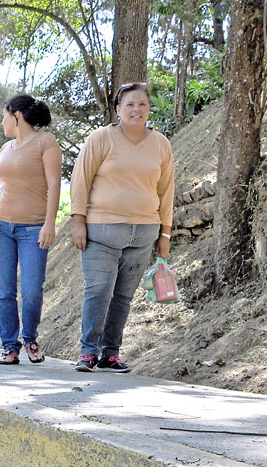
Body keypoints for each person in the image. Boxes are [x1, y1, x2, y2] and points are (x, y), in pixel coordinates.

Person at [70, 82, 174, 373]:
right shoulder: (100, 138)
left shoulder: (161, 144)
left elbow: (167, 191)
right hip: (100, 232)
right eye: (129, 104)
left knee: (124, 296)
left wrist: (165, 233)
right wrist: (78, 220)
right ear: (118, 110)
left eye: (142, 104)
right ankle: (88, 352)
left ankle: (110, 354)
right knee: (98, 289)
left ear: (149, 109)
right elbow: (81, 180)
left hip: (144, 234)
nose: (136, 110)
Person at [0, 94, 62, 365]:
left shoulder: (46, 143)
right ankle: (10, 347)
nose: (2, 121)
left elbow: (55, 186)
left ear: (17, 115)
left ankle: (30, 338)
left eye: (4, 115)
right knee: (4, 291)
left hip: (32, 229)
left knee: (32, 289)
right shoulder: (6, 148)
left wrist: (50, 223)